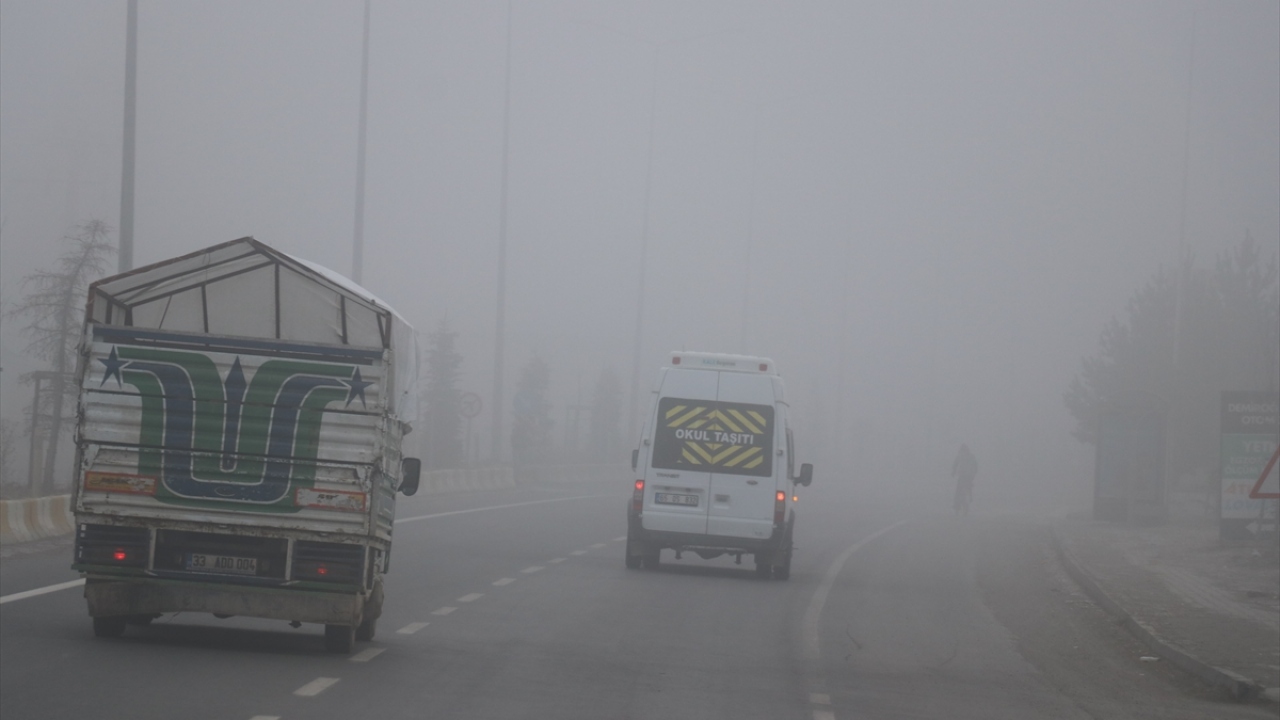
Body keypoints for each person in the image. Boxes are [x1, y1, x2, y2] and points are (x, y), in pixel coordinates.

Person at [951, 444, 978, 515]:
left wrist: (953, 472)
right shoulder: (971, 456)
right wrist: (973, 474)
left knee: (958, 491)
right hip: (967, 476)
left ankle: (957, 506)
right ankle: (969, 498)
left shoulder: (961, 456)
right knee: (965, 489)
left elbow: (955, 464)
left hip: (964, 476)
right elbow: (975, 466)